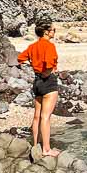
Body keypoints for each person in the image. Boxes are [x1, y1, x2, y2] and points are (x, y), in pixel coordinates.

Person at [17, 21, 60, 157]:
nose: (54, 32)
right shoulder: (50, 46)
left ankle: (36, 145)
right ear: (46, 32)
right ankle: (46, 149)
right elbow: (48, 63)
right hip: (48, 81)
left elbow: (20, 58)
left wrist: (34, 66)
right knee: (46, 117)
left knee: (37, 116)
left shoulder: (32, 46)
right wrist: (46, 73)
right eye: (53, 29)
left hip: (37, 81)